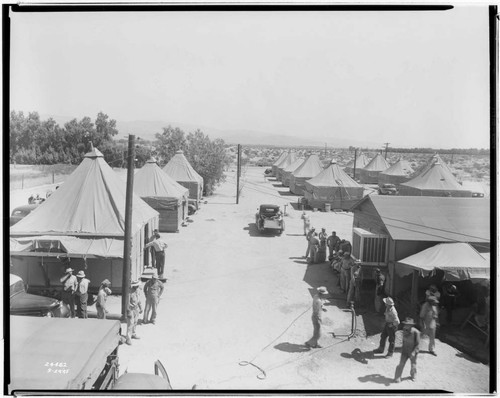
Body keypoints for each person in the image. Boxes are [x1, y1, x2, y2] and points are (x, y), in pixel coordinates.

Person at [394, 317, 421, 383]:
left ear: (411, 325)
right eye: (406, 324)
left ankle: (413, 375)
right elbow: (403, 341)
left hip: (412, 351)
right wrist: (402, 348)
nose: (406, 326)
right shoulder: (404, 331)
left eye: (408, 325)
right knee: (401, 364)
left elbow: (417, 344)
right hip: (405, 350)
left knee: (413, 364)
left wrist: (414, 352)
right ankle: (398, 377)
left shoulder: (416, 332)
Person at [126, 280, 143, 345]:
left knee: (135, 322)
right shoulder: (129, 292)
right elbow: (127, 303)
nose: (138, 286)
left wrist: (141, 307)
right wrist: (129, 311)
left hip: (136, 309)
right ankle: (128, 338)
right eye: (137, 285)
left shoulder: (137, 291)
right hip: (131, 309)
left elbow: (139, 300)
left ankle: (133, 334)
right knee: (130, 323)